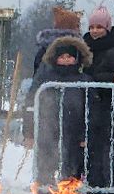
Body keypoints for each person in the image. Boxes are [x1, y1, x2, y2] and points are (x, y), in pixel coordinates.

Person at [36, 35, 92, 183]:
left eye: (69, 57)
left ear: (77, 58)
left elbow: (92, 108)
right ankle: (44, 193)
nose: (66, 60)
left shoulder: (85, 80)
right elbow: (34, 103)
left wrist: (85, 134)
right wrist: (30, 130)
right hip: (49, 130)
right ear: (55, 59)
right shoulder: (46, 79)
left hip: (75, 131)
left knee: (72, 168)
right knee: (46, 166)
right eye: (62, 57)